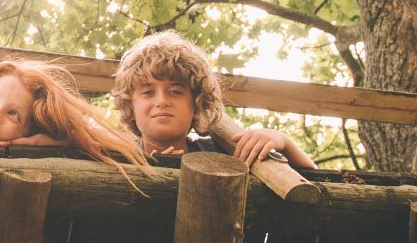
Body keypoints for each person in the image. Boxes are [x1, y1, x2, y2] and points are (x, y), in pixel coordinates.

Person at [111, 32, 315, 168]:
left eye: (175, 91)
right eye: (148, 92)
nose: (162, 101)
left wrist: (285, 143)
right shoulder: (117, 158)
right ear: (130, 105)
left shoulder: (225, 153)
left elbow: (317, 187)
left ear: (196, 102)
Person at [0, 59, 146, 173]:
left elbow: (104, 145)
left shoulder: (26, 167)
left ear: (26, 134)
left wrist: (52, 143)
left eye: (13, 114)